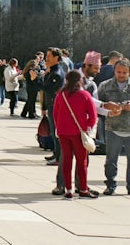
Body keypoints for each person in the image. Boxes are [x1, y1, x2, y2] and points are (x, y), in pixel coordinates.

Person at [53, 70, 99, 198]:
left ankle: (68, 189)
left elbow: (55, 114)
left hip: (63, 132)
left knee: (67, 161)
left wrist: (59, 126)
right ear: (80, 80)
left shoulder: (61, 95)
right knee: (81, 162)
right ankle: (83, 189)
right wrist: (87, 127)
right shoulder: (84, 95)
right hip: (79, 132)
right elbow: (93, 116)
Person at [96, 59, 130, 195]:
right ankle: (110, 184)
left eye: (124, 72)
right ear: (114, 71)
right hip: (113, 128)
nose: (121, 75)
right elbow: (98, 105)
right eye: (119, 72)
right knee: (111, 160)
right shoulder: (105, 86)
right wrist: (109, 109)